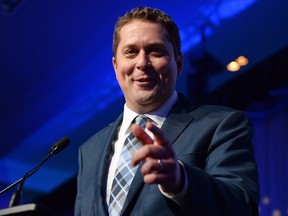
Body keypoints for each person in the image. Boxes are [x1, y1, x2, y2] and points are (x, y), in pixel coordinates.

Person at [74, 6, 259, 216]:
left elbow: (242, 207)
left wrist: (182, 181)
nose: (142, 63)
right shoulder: (89, 150)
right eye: (131, 52)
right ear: (116, 67)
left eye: (155, 51)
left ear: (178, 64)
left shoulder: (223, 125)